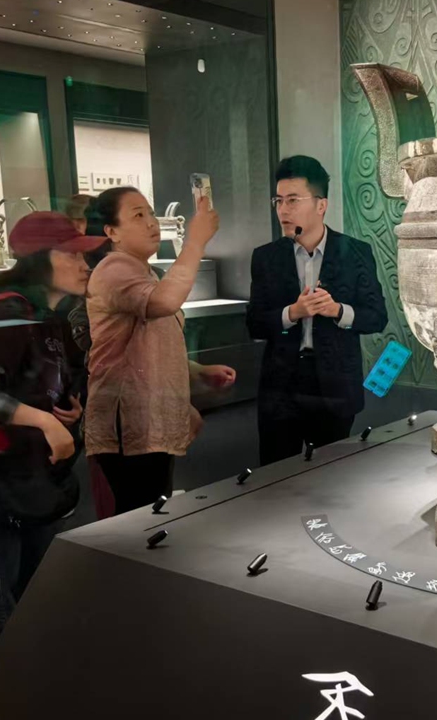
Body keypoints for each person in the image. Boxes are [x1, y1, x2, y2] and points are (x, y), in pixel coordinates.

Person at [0, 212, 104, 676]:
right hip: (2, 481)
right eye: (72, 254)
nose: (85, 264)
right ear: (40, 260)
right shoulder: (7, 311)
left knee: (36, 595)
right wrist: (42, 421)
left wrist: (66, 413)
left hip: (36, 482)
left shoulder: (48, 317)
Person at [84, 186, 236, 514]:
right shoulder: (114, 269)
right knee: (137, 518)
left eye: (151, 213)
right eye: (138, 215)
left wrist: (196, 371)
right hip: (128, 423)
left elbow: (150, 345)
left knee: (151, 510)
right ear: (112, 232)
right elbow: (164, 303)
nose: (152, 222)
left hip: (148, 418)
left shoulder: (144, 271)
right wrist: (195, 242)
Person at [248, 156, 387, 466]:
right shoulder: (266, 258)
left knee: (333, 477)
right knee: (274, 478)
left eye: (293, 200)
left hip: (335, 385)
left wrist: (338, 310)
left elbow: (377, 316)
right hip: (281, 386)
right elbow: (255, 324)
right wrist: (291, 314)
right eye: (279, 200)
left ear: (321, 205)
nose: (283, 210)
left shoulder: (355, 253)